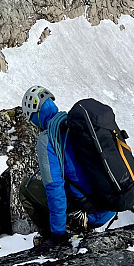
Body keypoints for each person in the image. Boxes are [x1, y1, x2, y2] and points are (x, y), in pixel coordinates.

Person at [19, 85, 116, 243]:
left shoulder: (48, 138)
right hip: (111, 205)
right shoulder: (76, 124)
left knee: (26, 188)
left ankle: (52, 234)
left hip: (90, 213)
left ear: (36, 116)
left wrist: (58, 234)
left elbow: (54, 187)